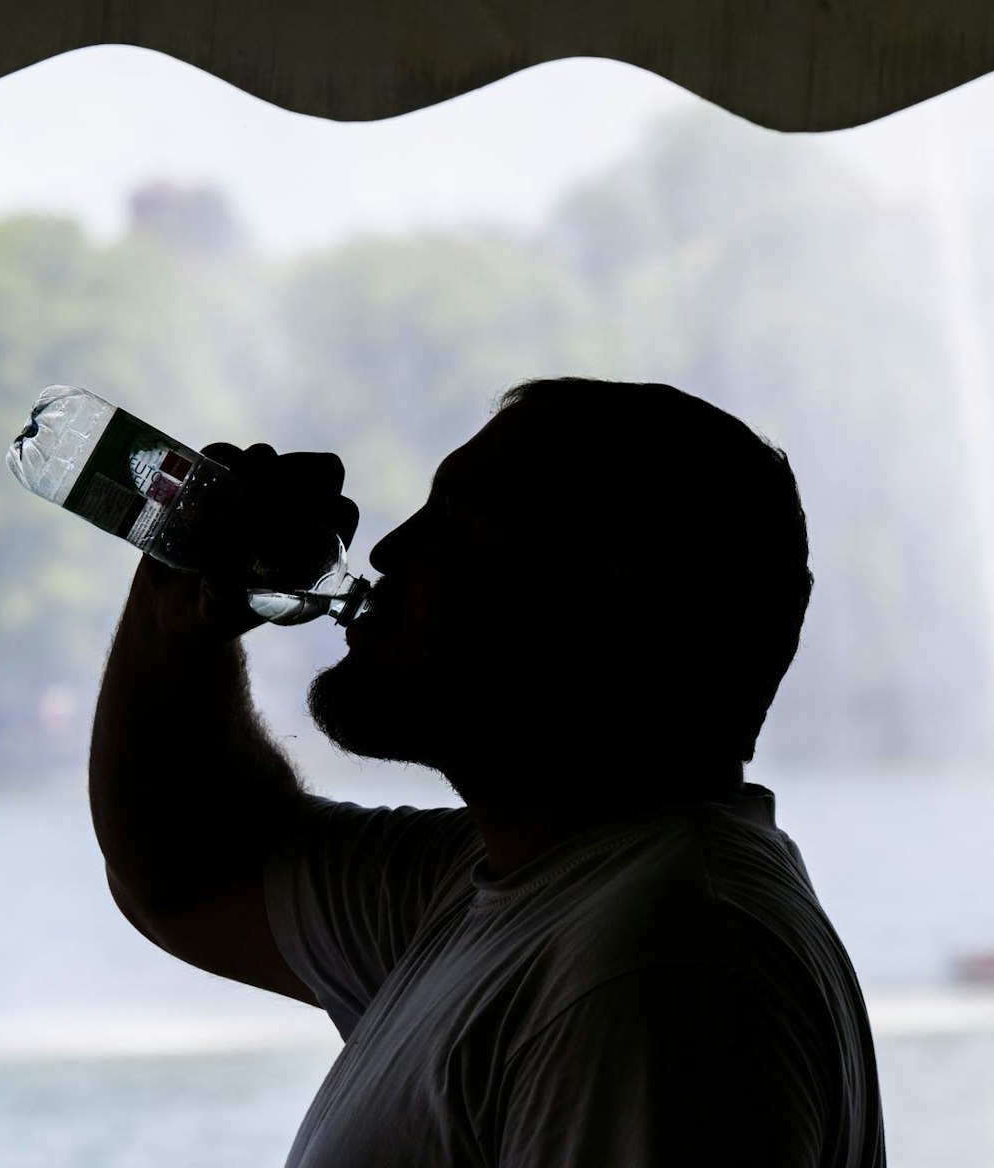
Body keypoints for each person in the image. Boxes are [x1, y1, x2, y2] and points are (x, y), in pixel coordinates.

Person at [90, 377, 885, 1167]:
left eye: (457, 527)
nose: (390, 551)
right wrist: (177, 615)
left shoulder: (657, 972)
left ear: (589, 608)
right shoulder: (512, 886)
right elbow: (190, 874)